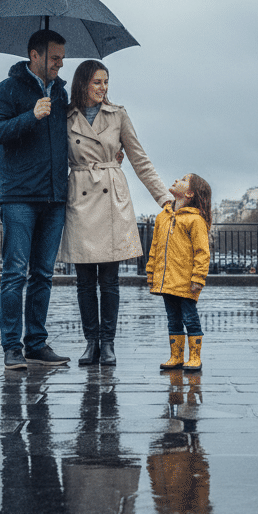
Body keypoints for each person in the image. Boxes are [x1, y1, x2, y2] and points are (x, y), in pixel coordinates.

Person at [58, 60, 173, 367]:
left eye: (106, 82)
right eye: (97, 82)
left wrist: (164, 197)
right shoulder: (65, 117)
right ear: (82, 83)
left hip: (110, 194)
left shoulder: (118, 114)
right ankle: (90, 342)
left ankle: (107, 343)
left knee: (109, 280)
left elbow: (139, 159)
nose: (104, 87)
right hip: (80, 193)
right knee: (84, 280)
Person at [0, 29, 71, 369]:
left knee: (43, 275)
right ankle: (11, 347)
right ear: (34, 55)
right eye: (54, 59)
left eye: (62, 59)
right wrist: (31, 115)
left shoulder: (62, 94)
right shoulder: (6, 90)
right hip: (19, 195)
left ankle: (36, 343)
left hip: (54, 196)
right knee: (15, 272)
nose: (59, 65)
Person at [145, 174, 212, 371]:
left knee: (190, 319)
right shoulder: (162, 217)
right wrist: (151, 273)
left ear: (189, 193)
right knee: (173, 319)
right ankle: (176, 356)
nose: (176, 179)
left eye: (183, 180)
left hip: (186, 282)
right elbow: (154, 248)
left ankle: (194, 357)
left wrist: (198, 278)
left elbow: (202, 253)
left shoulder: (195, 220)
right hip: (167, 281)